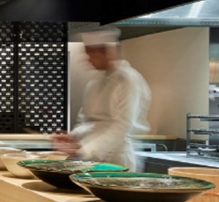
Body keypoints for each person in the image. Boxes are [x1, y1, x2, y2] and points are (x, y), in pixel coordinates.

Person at [54, 27, 151, 171]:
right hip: (93, 159)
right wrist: (74, 135)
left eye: (92, 54)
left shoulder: (128, 80)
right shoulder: (95, 82)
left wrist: (83, 151)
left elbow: (123, 126)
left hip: (118, 159)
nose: (88, 59)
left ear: (107, 52)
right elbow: (89, 121)